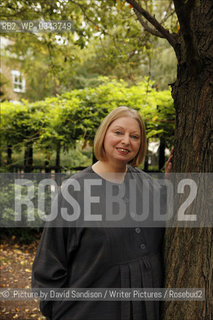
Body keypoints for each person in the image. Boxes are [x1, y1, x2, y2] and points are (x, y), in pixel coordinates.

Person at [32, 106, 173, 320]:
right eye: (118, 132)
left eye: (134, 136)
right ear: (104, 134)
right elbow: (50, 260)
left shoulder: (149, 186)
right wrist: (57, 310)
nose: (126, 141)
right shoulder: (75, 191)